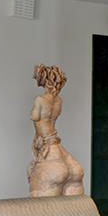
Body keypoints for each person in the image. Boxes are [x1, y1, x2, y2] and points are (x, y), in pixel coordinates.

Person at [28, 64, 85, 197]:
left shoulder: (40, 100)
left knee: (40, 206)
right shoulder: (58, 101)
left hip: (47, 145)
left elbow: (36, 119)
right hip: (57, 147)